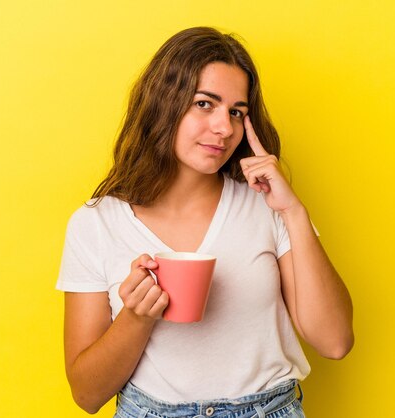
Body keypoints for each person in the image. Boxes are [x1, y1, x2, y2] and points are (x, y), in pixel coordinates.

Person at [56, 26, 354, 417]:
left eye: (236, 112)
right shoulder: (96, 224)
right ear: (164, 102)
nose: (224, 128)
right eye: (204, 104)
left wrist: (294, 211)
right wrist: (136, 317)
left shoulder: (266, 206)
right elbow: (86, 394)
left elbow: (334, 341)